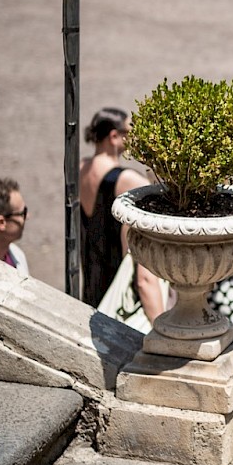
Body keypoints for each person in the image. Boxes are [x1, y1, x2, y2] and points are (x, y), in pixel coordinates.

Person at [79, 108, 168, 323]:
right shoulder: (126, 179)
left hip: (90, 270)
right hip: (117, 275)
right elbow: (163, 195)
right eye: (129, 132)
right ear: (114, 136)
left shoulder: (80, 168)